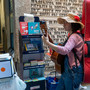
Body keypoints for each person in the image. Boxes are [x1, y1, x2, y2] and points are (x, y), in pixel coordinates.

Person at [42, 13, 84, 90]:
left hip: (73, 71)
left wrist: (48, 43)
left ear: (72, 24)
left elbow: (65, 50)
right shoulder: (72, 35)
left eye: (66, 22)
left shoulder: (74, 37)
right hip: (69, 70)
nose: (64, 24)